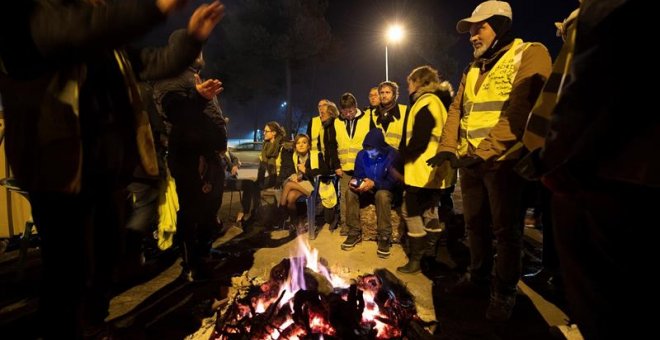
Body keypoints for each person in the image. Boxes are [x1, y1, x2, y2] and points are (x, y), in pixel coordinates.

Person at [0, 0, 224, 337]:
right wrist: (154, 8)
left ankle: (93, 323)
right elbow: (81, 30)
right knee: (70, 270)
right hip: (59, 170)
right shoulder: (34, 15)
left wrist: (192, 38)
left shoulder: (107, 47)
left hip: (106, 171)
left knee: (106, 258)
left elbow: (155, 62)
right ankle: (65, 328)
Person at [428, 0, 552, 321]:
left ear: (501, 25)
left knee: (506, 231)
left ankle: (504, 292)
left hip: (505, 164)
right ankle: (479, 277)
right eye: (470, 29)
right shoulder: (472, 68)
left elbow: (521, 111)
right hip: (472, 164)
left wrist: (480, 155)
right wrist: (447, 148)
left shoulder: (529, 53)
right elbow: (457, 109)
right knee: (475, 226)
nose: (472, 35)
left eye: (479, 27)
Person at [538, 1, 655, 338]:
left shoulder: (607, 9)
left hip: (607, 176)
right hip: (622, 171)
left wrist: (556, 160)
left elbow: (586, 93)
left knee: (607, 304)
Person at [154, 51, 227, 282]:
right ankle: (191, 264)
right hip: (192, 157)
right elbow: (176, 113)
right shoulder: (171, 77)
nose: (199, 52)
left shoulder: (193, 77)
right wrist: (198, 97)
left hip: (210, 156)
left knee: (209, 209)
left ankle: (204, 253)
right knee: (192, 210)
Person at [397, 65, 455, 274]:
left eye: (409, 83)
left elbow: (420, 139)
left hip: (421, 169)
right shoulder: (440, 102)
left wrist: (402, 155)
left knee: (410, 211)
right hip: (436, 171)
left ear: (418, 82)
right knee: (431, 211)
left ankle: (416, 258)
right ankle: (431, 253)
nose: (408, 87)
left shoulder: (425, 102)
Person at [340, 129, 403, 258]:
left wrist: (374, 183)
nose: (369, 154)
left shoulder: (393, 155)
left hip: (387, 190)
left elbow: (393, 182)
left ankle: (384, 236)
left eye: (372, 150)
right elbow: (359, 174)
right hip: (368, 189)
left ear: (380, 146)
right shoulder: (362, 155)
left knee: (382, 195)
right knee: (350, 192)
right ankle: (354, 231)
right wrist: (357, 182)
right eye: (367, 150)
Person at [335, 92, 371, 236]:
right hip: (345, 168)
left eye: (350, 111)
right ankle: (346, 225)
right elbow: (333, 145)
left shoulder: (367, 118)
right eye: (344, 112)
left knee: (363, 197)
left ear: (355, 107)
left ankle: (363, 226)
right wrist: (337, 165)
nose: (348, 114)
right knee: (344, 198)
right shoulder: (337, 121)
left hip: (363, 167)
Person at [277, 134, 319, 230]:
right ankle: (295, 221)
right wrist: (296, 175)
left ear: (309, 145)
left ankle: (282, 208)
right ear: (295, 146)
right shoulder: (295, 157)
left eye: (304, 142)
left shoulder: (315, 155)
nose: (301, 145)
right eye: (298, 143)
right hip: (301, 184)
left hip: (312, 186)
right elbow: (295, 172)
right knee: (291, 197)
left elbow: (323, 170)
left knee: (288, 184)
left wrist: (305, 171)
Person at [222, 149, 260, 228]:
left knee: (251, 183)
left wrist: (235, 166)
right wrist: (232, 173)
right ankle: (244, 214)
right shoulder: (217, 154)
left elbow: (235, 159)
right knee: (248, 184)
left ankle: (246, 213)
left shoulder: (226, 151)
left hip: (231, 178)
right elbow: (219, 172)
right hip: (224, 180)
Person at [371, 81, 408, 150]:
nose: (384, 96)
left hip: (400, 156)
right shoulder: (373, 114)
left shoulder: (405, 111)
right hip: (381, 158)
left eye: (387, 92)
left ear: (394, 95)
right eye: (382, 93)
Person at [257, 121, 285, 189]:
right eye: (264, 131)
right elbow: (261, 169)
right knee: (252, 186)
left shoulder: (282, 147)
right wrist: (259, 182)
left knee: (254, 187)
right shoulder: (265, 147)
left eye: (266, 131)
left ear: (274, 133)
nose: (264, 133)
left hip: (281, 178)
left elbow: (286, 168)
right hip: (272, 177)